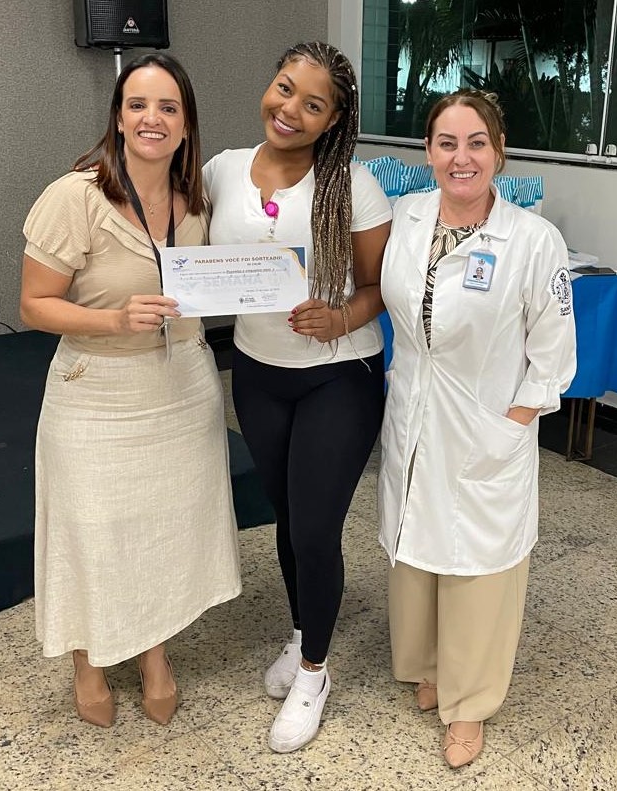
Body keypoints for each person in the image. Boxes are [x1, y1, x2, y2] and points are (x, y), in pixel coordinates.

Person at [20, 53, 241, 728]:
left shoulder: (197, 200)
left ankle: (154, 654)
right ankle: (87, 660)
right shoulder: (76, 196)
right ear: (118, 117)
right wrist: (115, 319)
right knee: (93, 532)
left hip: (182, 388)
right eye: (138, 105)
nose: (153, 118)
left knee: (164, 532)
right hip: (96, 392)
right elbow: (34, 304)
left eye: (168, 107)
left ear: (186, 124)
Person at [378, 90, 577, 769]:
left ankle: (470, 704)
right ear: (428, 151)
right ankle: (430, 666)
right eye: (446, 143)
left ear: (499, 151)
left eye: (476, 143)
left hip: (486, 427)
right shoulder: (408, 217)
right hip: (414, 415)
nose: (460, 158)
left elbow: (553, 357)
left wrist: (510, 426)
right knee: (418, 551)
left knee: (478, 569)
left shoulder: (533, 241)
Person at [203, 41, 391, 753]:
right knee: (287, 518)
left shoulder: (354, 186)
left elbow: (378, 287)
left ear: (333, 119)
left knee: (315, 528)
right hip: (257, 372)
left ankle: (315, 672)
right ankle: (302, 629)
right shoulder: (222, 170)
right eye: (285, 89)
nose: (291, 110)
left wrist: (339, 317)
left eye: (313, 104)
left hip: (338, 375)